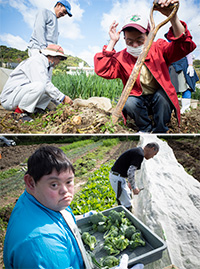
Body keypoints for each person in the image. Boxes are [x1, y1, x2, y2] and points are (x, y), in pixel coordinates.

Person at [3, 145, 142, 269]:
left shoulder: (41, 201)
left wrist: (79, 218)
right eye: (54, 184)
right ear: (31, 182)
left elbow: (54, 219)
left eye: (69, 181)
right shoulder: (42, 245)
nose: (65, 191)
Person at [94, 0, 196, 133]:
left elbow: (183, 45)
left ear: (149, 36)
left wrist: (173, 17)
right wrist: (112, 42)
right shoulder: (122, 57)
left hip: (159, 99)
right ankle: (145, 128)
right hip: (139, 100)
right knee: (129, 101)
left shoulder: (158, 48)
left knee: (163, 97)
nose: (135, 45)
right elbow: (103, 69)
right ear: (124, 39)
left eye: (140, 41)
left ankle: (160, 129)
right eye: (130, 41)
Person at [0, 44, 73, 122]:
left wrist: (60, 102)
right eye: (59, 59)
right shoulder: (36, 61)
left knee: (49, 92)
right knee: (40, 86)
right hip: (9, 98)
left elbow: (49, 89)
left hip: (19, 94)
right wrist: (63, 98)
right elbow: (45, 84)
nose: (59, 62)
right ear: (52, 56)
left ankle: (36, 110)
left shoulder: (46, 66)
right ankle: (18, 114)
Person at [109, 142, 159, 211]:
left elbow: (130, 169)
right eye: (154, 154)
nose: (152, 157)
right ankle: (124, 218)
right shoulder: (139, 154)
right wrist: (134, 188)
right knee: (127, 203)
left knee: (127, 196)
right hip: (117, 178)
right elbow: (130, 172)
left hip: (119, 177)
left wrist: (130, 183)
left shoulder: (138, 151)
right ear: (152, 149)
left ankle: (122, 213)